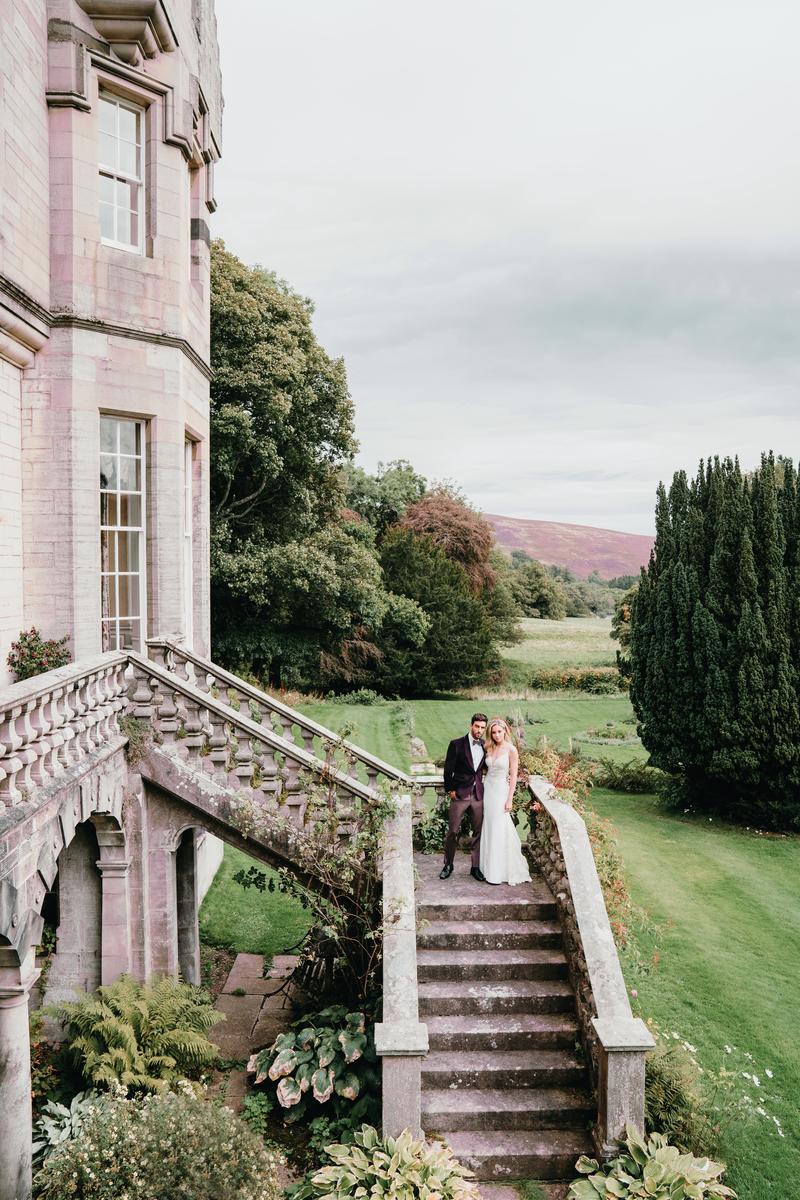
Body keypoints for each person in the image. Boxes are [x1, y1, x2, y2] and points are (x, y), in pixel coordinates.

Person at [479, 717, 531, 886]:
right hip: (488, 790)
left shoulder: (511, 750)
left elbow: (514, 776)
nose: (496, 735)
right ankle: (488, 868)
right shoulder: (488, 747)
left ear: (505, 731)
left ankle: (500, 871)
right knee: (489, 826)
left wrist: (510, 798)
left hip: (501, 792)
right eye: (493, 732)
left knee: (500, 827)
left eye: (499, 732)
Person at [440, 713, 488, 881]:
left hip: (478, 795)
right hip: (459, 793)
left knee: (478, 832)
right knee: (453, 831)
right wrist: (450, 789)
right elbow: (448, 769)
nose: (479, 730)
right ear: (471, 726)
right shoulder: (456, 744)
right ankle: (448, 864)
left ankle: (475, 867)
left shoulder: (486, 746)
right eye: (477, 726)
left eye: (482, 728)